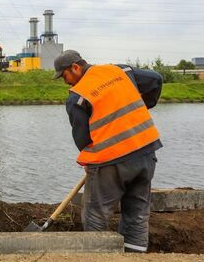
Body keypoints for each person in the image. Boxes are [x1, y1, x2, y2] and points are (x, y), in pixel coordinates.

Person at [53, 50, 163, 253]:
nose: (65, 82)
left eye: (64, 75)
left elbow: (82, 139)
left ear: (75, 67)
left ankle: (97, 256)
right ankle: (135, 256)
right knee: (137, 213)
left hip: (110, 162)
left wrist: (89, 163)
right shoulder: (120, 71)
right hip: (146, 151)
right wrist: (144, 105)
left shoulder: (78, 96)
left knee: (96, 214)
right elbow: (155, 79)